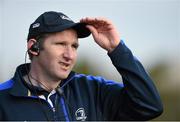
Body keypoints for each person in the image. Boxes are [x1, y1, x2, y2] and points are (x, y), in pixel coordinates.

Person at [0, 11, 163, 121]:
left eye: (74, 46)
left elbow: (149, 106)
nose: (70, 55)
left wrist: (116, 49)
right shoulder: (3, 99)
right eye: (60, 44)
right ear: (33, 47)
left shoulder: (93, 89)